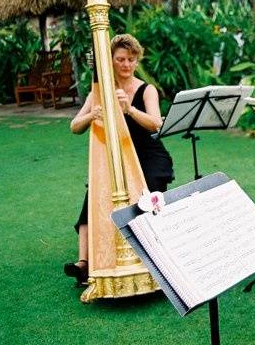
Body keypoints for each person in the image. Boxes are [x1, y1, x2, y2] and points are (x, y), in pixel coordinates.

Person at [64, 34, 174, 284]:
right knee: (95, 191)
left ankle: (153, 253)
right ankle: (84, 263)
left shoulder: (147, 90)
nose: (126, 65)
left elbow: (156, 124)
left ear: (137, 61)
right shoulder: (99, 90)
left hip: (148, 152)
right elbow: (74, 126)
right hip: (116, 154)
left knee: (149, 185)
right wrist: (91, 114)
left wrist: (130, 110)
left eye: (131, 60)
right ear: (110, 60)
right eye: (120, 59)